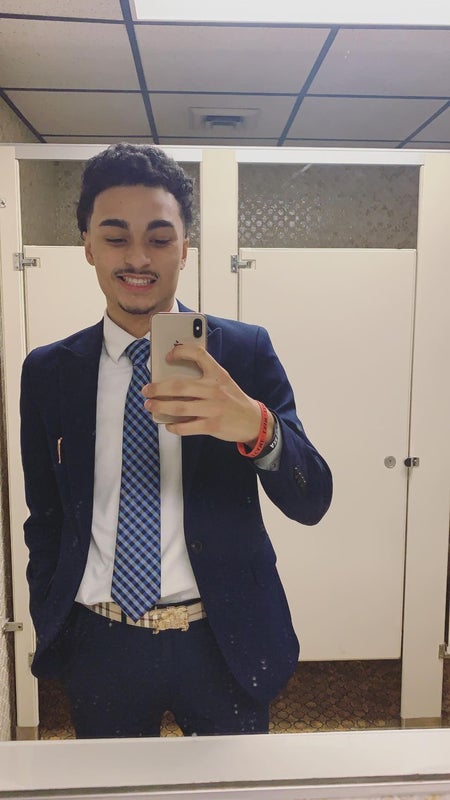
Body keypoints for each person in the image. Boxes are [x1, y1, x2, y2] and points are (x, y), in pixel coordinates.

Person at [20, 143, 332, 739]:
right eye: (116, 237)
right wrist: (51, 614)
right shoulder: (48, 372)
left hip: (223, 637)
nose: (138, 257)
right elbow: (47, 515)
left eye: (160, 239)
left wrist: (257, 428)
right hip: (100, 642)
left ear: (185, 248)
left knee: (232, 785)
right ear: (87, 245)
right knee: (114, 786)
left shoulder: (243, 352)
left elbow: (313, 497)